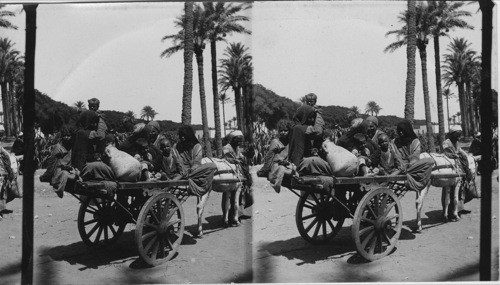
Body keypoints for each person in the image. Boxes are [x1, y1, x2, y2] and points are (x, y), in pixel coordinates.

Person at [171, 125, 217, 197]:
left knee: (212, 165)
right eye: (181, 135)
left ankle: (189, 176)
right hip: (181, 172)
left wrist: (191, 170)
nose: (182, 137)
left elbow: (197, 162)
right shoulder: (176, 146)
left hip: (193, 172)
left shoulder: (197, 146)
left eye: (184, 135)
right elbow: (176, 160)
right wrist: (182, 171)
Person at [393, 120, 434, 191]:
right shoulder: (394, 142)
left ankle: (406, 171)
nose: (401, 132)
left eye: (403, 130)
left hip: (411, 166)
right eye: (399, 131)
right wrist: (401, 165)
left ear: (407, 130)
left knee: (430, 160)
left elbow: (415, 157)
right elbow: (395, 155)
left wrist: (408, 165)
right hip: (399, 166)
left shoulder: (415, 142)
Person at [39, 125, 75, 198]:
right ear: (62, 136)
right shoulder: (58, 147)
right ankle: (59, 189)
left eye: (69, 135)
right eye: (65, 136)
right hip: (60, 170)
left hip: (70, 169)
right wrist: (46, 175)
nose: (67, 138)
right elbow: (51, 164)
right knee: (64, 174)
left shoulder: (72, 147)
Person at [0, 139, 19, 220]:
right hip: (2, 174)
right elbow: (7, 156)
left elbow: (7, 156)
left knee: (1, 192)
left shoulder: (1, 149)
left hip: (2, 174)